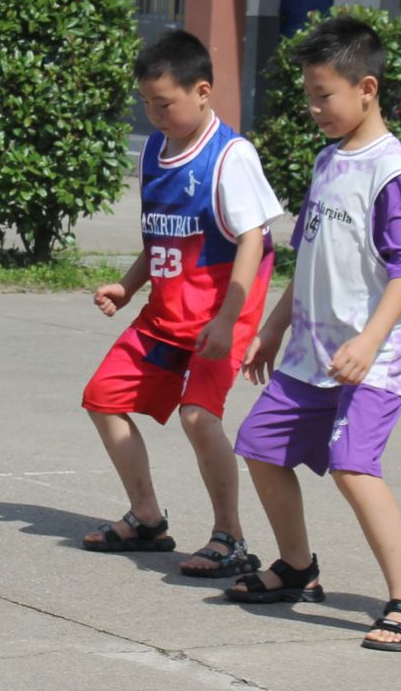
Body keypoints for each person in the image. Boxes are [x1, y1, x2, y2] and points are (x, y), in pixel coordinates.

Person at [229, 16, 401, 651]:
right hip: (314, 346)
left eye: (325, 94)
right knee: (260, 445)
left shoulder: (391, 172)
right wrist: (273, 327)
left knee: (355, 466)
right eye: (309, 94)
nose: (314, 106)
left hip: (377, 351)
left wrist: (371, 341)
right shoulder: (329, 160)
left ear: (367, 88)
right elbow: (312, 256)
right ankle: (297, 567)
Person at [81, 30, 284, 578]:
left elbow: (253, 240)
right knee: (103, 397)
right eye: (145, 102)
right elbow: (161, 236)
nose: (153, 114)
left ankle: (230, 536)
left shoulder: (230, 156)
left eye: (164, 103)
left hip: (218, 320)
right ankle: (147, 518)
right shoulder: (154, 150)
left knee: (199, 417)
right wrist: (128, 285)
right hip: (164, 317)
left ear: (202, 92)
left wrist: (228, 319)